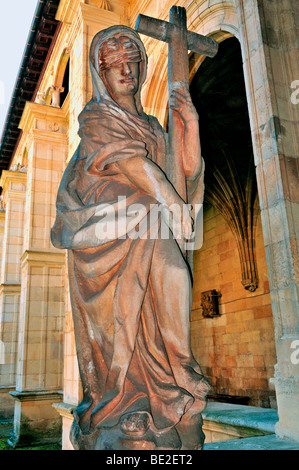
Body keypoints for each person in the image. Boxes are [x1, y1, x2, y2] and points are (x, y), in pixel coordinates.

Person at [51, 25, 210, 450]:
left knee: (169, 276)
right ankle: (122, 401)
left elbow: (186, 172)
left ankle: (177, 375)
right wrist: (173, 206)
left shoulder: (155, 127)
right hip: (105, 235)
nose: (125, 69)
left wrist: (189, 125)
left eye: (132, 60)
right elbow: (133, 167)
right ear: (99, 72)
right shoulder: (95, 118)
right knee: (118, 330)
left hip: (147, 223)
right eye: (113, 63)